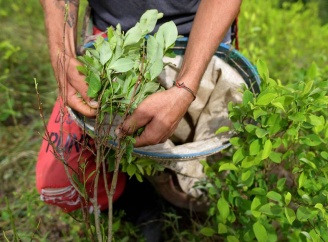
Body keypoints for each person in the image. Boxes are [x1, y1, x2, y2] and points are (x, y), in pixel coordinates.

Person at [36, 0, 241, 238]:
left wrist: (185, 87)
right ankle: (140, 204)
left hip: (198, 40)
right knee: (60, 181)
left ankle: (172, 195)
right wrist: (62, 55)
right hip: (111, 42)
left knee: (206, 176)